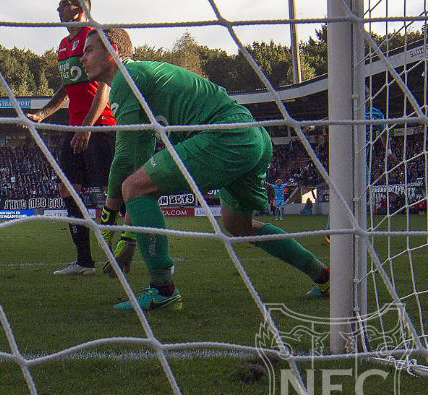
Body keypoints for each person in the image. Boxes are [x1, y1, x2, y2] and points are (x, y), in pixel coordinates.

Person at [80, 28, 330, 311]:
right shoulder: (142, 76)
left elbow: (126, 159)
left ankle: (163, 290)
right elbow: (137, 156)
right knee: (238, 226)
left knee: (135, 187)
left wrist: (113, 219)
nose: (82, 59)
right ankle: (324, 276)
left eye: (89, 51)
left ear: (112, 50)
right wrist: (126, 228)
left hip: (226, 137)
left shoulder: (127, 79)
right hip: (253, 137)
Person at [26, 0, 134, 277]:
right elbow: (66, 89)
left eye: (63, 4)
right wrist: (42, 113)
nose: (57, 9)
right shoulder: (63, 44)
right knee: (67, 187)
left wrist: (87, 125)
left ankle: (141, 250)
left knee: (119, 193)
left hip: (100, 126)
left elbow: (105, 86)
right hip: (75, 127)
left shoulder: (95, 36)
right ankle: (84, 261)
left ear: (79, 8)